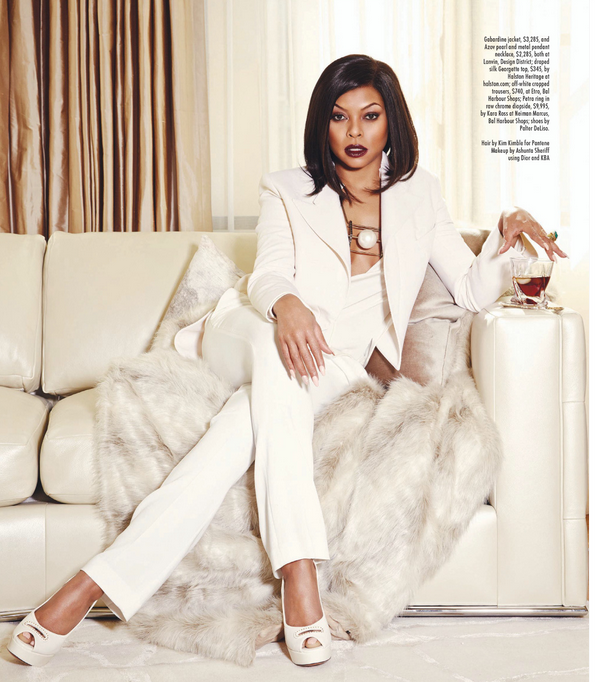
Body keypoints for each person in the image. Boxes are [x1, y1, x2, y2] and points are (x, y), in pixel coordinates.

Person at [8, 54, 567, 669]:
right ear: (322, 123)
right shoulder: (287, 188)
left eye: (370, 116)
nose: (354, 132)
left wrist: (505, 236)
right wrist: (289, 305)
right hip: (251, 329)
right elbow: (268, 273)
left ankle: (92, 582)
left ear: (392, 122)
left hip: (326, 365)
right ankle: (299, 569)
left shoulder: (419, 194)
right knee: (277, 360)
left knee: (242, 428)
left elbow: (469, 289)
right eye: (339, 116)